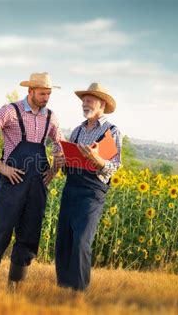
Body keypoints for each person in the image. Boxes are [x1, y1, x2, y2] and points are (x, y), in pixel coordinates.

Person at [0, 72, 64, 293]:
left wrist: (54, 170)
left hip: (37, 185)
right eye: (42, 93)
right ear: (30, 91)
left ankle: (13, 290)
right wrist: (1, 165)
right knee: (1, 232)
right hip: (12, 182)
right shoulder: (10, 111)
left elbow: (59, 146)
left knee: (29, 234)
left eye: (49, 94)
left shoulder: (51, 117)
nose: (46, 98)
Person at [55, 82, 122, 291]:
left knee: (82, 240)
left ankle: (79, 290)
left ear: (101, 104)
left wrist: (97, 159)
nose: (84, 103)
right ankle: (63, 288)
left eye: (89, 99)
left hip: (92, 192)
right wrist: (62, 161)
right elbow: (68, 165)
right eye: (83, 99)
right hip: (71, 187)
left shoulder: (112, 131)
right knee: (64, 240)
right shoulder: (76, 131)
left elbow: (114, 167)